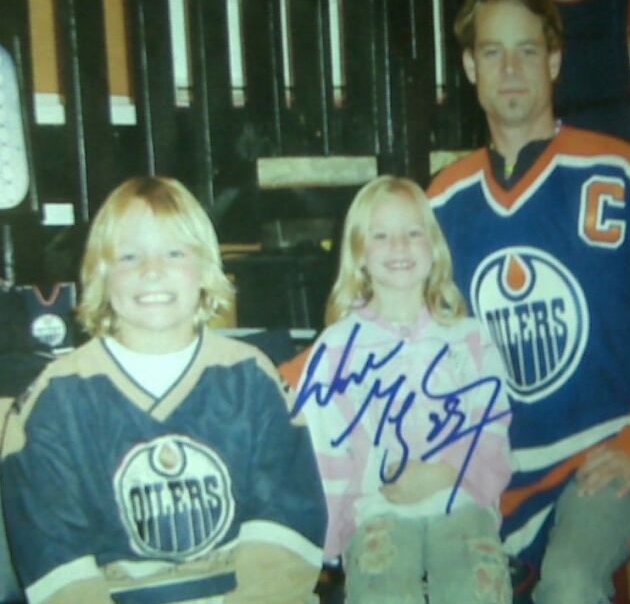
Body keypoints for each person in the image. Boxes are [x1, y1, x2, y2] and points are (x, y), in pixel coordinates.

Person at [427, 0, 630, 604]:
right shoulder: (438, 204)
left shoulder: (621, 175)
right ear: (468, 67)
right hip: (491, 473)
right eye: (491, 52)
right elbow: (389, 336)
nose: (511, 68)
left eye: (528, 50)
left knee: (568, 584)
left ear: (555, 60)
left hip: (608, 456)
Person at [1, 176, 327, 604]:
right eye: (129, 255)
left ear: (205, 269)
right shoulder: (57, 399)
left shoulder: (251, 378)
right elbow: (53, 553)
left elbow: (288, 522)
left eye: (174, 252)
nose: (152, 270)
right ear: (101, 273)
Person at [290, 175, 514, 604]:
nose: (399, 246)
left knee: (475, 588)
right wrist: (329, 544)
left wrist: (444, 473)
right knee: (384, 592)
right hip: (377, 511)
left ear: (434, 248)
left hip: (464, 500)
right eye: (381, 236)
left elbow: (493, 428)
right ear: (358, 252)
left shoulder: (469, 339)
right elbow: (326, 455)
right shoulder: (337, 349)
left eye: (413, 233)